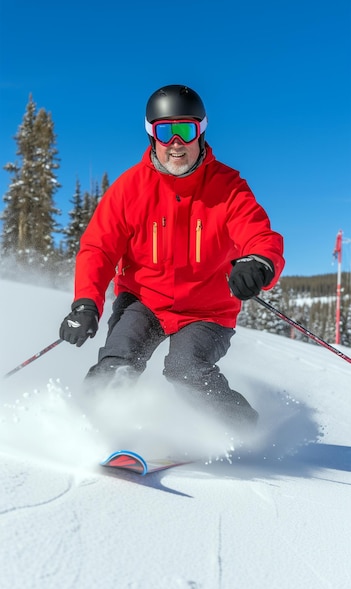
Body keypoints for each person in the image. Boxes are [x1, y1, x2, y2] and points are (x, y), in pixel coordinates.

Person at [60, 84, 285, 431]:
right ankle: (92, 429)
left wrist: (258, 262)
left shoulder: (228, 187)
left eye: (186, 130)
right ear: (153, 136)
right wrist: (86, 303)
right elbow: (98, 249)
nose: (176, 143)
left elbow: (258, 235)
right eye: (166, 132)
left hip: (207, 310)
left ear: (201, 132)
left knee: (186, 370)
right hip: (144, 300)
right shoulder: (130, 189)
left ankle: (243, 428)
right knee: (118, 359)